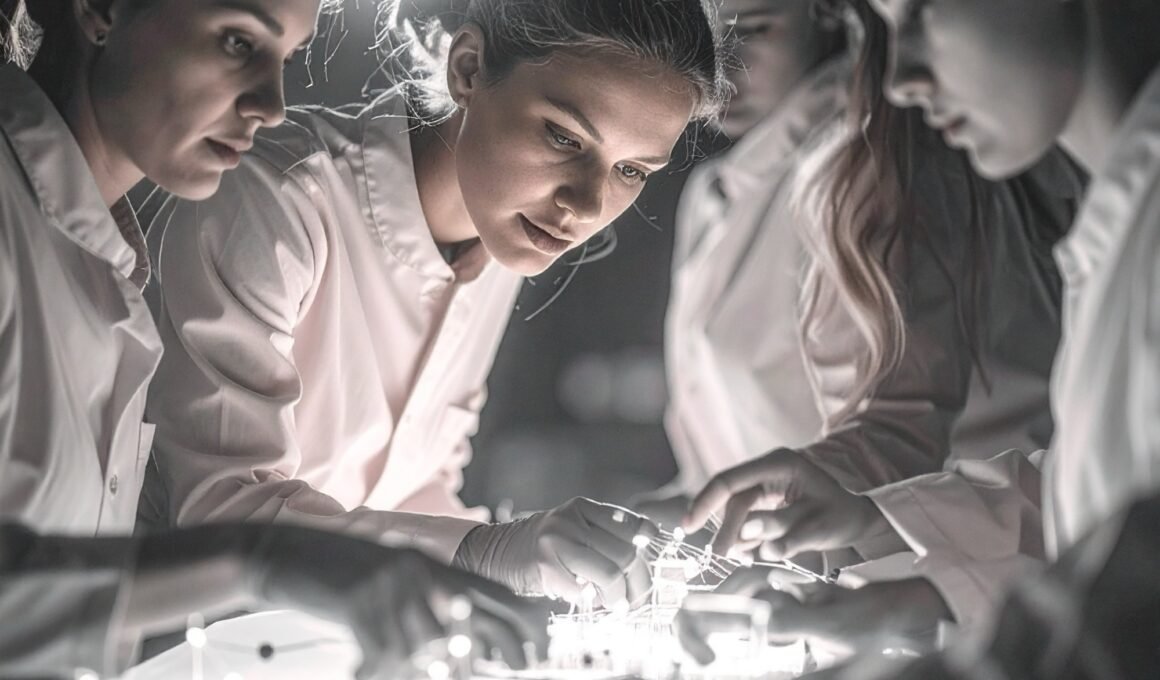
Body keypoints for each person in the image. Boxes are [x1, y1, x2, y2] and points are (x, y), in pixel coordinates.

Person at [0, 1, 544, 676]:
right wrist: (259, 560)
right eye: (238, 42)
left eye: (284, 59)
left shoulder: (95, 259)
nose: (273, 104)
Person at [142, 0, 729, 609]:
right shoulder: (275, 203)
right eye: (563, 136)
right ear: (468, 69)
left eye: (631, 170)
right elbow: (220, 509)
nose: (583, 204)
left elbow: (413, 492)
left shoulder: (504, 235)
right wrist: (486, 554)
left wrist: (539, 561)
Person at [687, 0, 1160, 674]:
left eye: (921, 13)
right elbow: (1090, 509)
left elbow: (1134, 598)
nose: (900, 77)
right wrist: (891, 577)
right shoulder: (1121, 212)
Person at [636, 0, 848, 526]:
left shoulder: (863, 172)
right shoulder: (712, 189)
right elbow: (714, 464)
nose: (717, 68)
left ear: (829, 12)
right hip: (776, 568)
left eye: (751, 30)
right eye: (700, 38)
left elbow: (897, 448)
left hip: (875, 576)